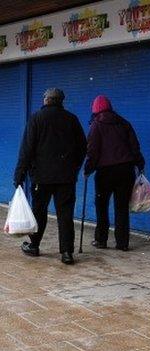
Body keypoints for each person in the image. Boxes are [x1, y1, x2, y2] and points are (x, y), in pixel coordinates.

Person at [14, 88, 87, 265]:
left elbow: (27, 149)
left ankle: (34, 246)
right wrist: (73, 168)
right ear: (61, 101)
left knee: (39, 212)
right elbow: (83, 148)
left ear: (46, 100)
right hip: (66, 178)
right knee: (65, 215)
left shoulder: (36, 118)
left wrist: (19, 175)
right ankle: (67, 253)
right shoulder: (71, 119)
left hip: (41, 177)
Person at [84, 95, 144, 251]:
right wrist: (139, 163)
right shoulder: (124, 123)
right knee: (122, 207)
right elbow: (135, 146)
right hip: (125, 171)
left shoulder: (96, 125)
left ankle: (101, 240)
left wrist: (88, 169)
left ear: (95, 109)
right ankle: (122, 243)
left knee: (101, 206)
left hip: (105, 172)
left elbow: (92, 151)